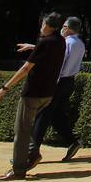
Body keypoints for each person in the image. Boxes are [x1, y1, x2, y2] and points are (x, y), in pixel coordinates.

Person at [0, 11, 66, 182]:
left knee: (22, 131)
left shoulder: (44, 43)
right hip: (48, 94)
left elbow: (25, 69)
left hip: (33, 93)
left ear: (50, 27)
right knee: (27, 129)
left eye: (43, 24)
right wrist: (33, 46)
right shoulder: (60, 41)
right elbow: (46, 48)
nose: (41, 27)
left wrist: (4, 88)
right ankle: (33, 153)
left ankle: (18, 170)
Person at [24, 15, 86, 165]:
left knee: (43, 115)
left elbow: (59, 60)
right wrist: (34, 47)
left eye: (64, 26)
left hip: (58, 82)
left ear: (69, 29)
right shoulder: (80, 43)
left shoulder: (66, 43)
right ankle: (72, 141)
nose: (62, 29)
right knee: (56, 114)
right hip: (69, 82)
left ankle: (33, 152)